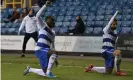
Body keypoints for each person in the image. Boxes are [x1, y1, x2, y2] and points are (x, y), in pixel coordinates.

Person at [85, 11, 126, 76]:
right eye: (113, 24)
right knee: (118, 53)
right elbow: (110, 22)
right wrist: (116, 13)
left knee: (108, 71)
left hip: (111, 51)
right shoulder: (106, 29)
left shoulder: (114, 33)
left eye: (115, 24)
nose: (114, 25)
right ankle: (118, 72)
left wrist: (115, 49)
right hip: (106, 50)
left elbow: (114, 43)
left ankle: (92, 68)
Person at [23, 1, 57, 78]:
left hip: (46, 52)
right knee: (53, 54)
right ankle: (48, 73)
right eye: (51, 20)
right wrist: (45, 5)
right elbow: (37, 15)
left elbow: (53, 45)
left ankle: (30, 69)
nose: (53, 22)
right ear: (47, 21)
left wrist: (55, 57)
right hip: (40, 49)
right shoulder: (43, 26)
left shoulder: (53, 33)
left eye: (53, 21)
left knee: (44, 72)